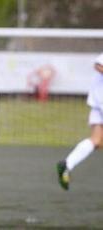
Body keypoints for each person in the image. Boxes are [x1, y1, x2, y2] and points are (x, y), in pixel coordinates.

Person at [57, 53, 103, 191]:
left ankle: (67, 164)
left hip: (98, 103)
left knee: (97, 141)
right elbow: (98, 65)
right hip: (101, 101)